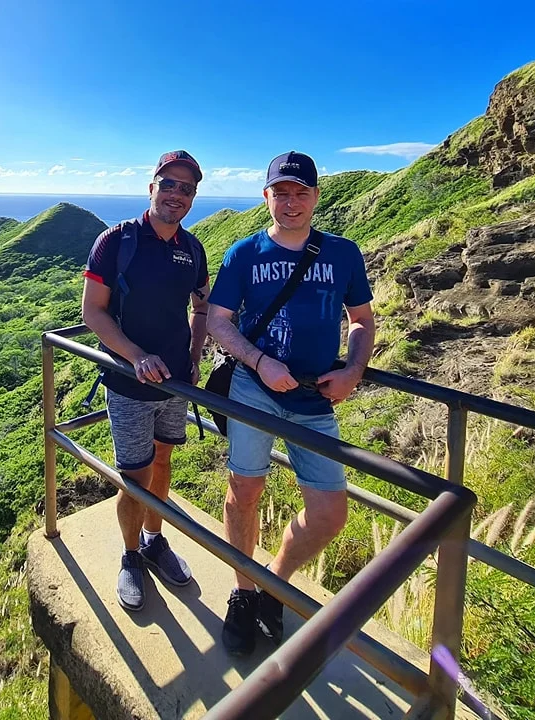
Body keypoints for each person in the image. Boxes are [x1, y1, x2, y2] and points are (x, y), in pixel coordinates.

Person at [206, 151, 375, 655]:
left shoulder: (343, 254)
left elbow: (362, 320)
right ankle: (244, 591)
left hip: (316, 400)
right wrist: (259, 363)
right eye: (281, 192)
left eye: (301, 192)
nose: (291, 202)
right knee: (245, 491)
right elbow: (218, 321)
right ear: (266, 198)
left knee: (329, 514)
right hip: (253, 389)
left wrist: (353, 371)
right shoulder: (243, 253)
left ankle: (274, 584)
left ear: (317, 197)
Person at [82, 150, 211, 612]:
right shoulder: (116, 241)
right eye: (170, 184)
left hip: (174, 382)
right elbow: (92, 311)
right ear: (151, 186)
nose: (178, 194)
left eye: (188, 188)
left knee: (162, 462)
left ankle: (155, 541)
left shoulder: (192, 250)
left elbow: (202, 307)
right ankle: (130, 554)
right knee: (133, 475)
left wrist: (194, 358)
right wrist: (135, 356)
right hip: (128, 380)